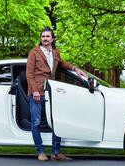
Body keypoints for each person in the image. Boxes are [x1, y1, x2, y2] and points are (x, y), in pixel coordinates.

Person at [26, 27, 86, 162]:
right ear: (40, 39)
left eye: (48, 36)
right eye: (43, 37)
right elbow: (29, 74)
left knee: (56, 122)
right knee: (35, 122)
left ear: (52, 39)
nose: (45, 39)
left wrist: (76, 69)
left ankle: (56, 152)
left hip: (51, 91)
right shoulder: (34, 53)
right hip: (37, 92)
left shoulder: (55, 53)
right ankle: (40, 151)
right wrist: (34, 90)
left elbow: (62, 64)